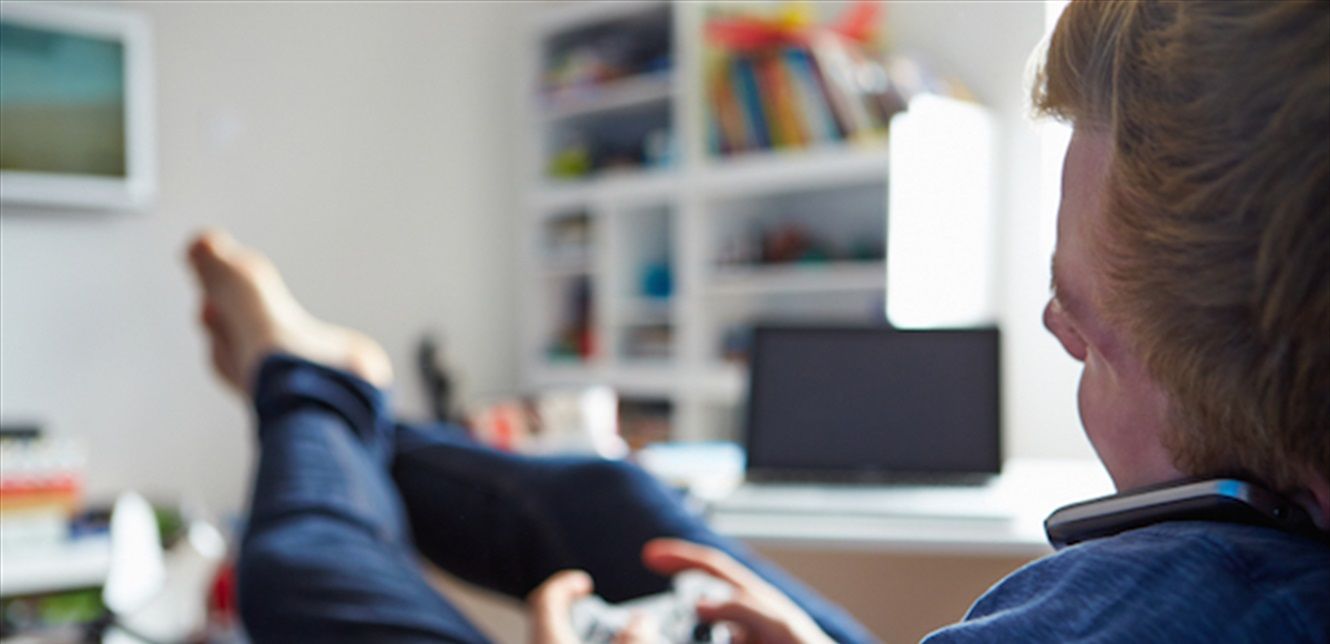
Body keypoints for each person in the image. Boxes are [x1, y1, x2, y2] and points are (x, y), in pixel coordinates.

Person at [186, 0, 1329, 641]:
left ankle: (311, 386)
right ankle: (335, 396)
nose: (1051, 324)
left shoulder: (1185, 600)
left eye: (1085, 338)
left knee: (307, 570)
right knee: (618, 500)